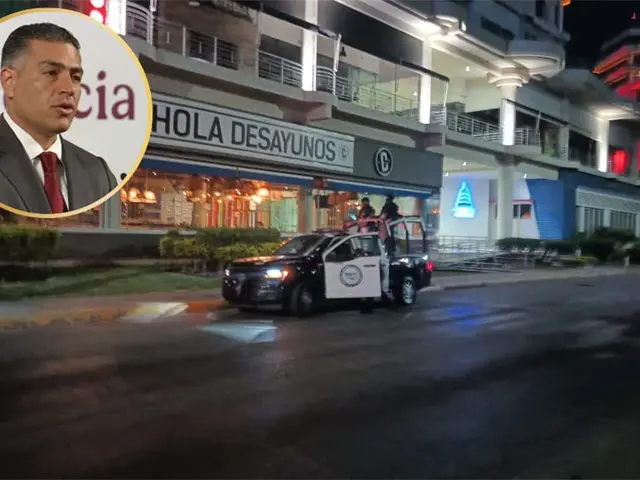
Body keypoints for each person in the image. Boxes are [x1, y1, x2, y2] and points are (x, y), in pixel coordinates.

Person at [0, 22, 117, 215]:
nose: (68, 88)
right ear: (9, 81)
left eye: (75, 77)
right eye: (51, 73)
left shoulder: (98, 173)